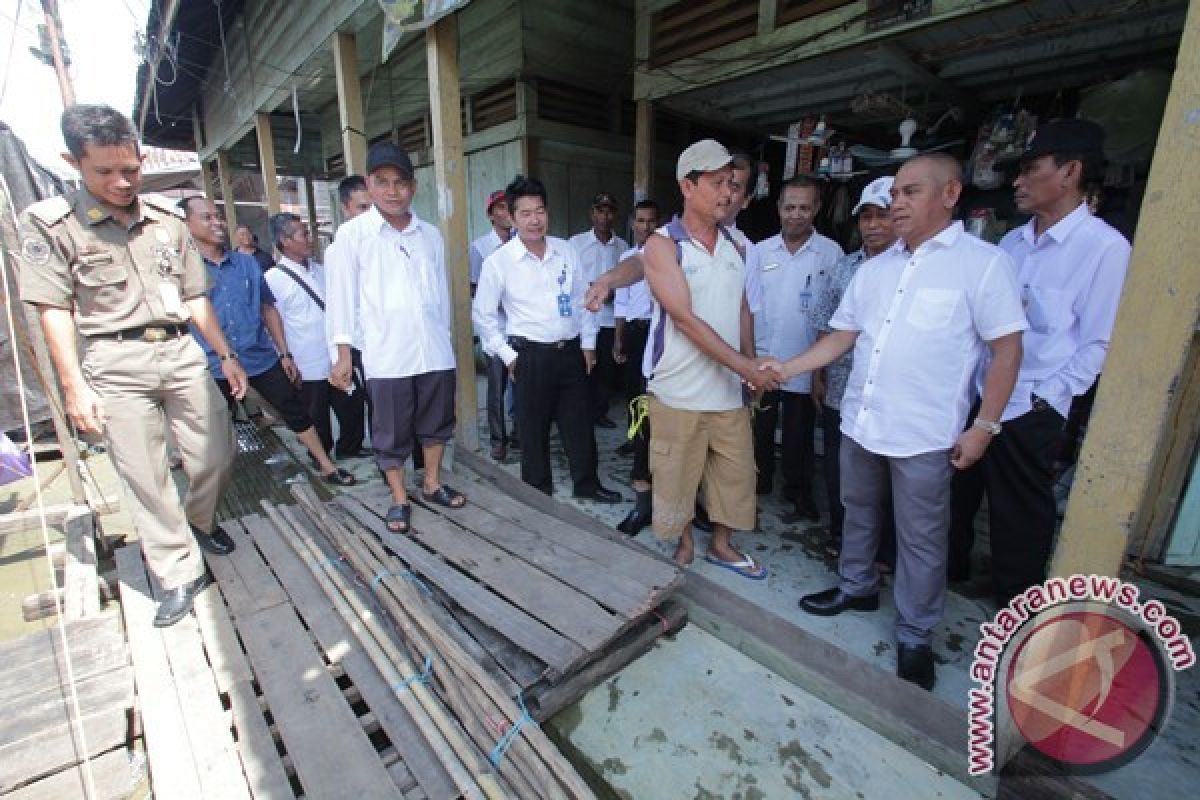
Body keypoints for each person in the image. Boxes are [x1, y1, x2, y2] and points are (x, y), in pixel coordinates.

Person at [764, 154, 1027, 690]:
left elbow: (1007, 350)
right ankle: (856, 586)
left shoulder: (982, 264)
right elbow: (841, 337)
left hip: (925, 434)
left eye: (910, 193)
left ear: (949, 193)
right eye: (895, 195)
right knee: (857, 512)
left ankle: (915, 633)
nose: (897, 204)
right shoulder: (874, 270)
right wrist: (786, 369)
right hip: (862, 421)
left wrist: (985, 427)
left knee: (922, 538)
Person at [18, 104, 244, 627]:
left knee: (216, 453)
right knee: (143, 474)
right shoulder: (53, 226)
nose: (123, 182)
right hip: (113, 359)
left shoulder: (167, 222)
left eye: (131, 169)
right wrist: (74, 388)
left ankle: (199, 519)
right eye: (106, 172)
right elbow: (55, 310)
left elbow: (194, 297)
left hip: (181, 351)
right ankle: (179, 571)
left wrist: (226, 356)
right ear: (73, 162)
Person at [949, 119, 1131, 605]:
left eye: (1031, 169)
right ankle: (949, 578)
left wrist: (1044, 400)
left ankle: (1017, 609)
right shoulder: (1011, 243)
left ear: (1070, 172)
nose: (1018, 181)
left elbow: (1098, 342)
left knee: (1020, 512)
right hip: (982, 394)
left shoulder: (1104, 249)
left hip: (1031, 406)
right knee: (959, 497)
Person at [643, 139, 781, 575]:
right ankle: (683, 543)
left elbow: (742, 309)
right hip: (678, 388)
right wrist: (744, 367)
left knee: (735, 474)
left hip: (727, 391)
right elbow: (683, 318)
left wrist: (751, 365)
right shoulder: (664, 246)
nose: (727, 193)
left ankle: (721, 544)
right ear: (687, 185)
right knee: (677, 473)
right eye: (717, 183)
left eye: (732, 184)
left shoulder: (739, 246)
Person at [327, 142, 465, 535]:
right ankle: (399, 498)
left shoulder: (431, 236)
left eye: (400, 182)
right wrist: (342, 355)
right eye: (383, 182)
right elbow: (340, 299)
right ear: (369, 186)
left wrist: (446, 338)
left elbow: (441, 293)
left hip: (434, 349)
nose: (392, 191)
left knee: (437, 422)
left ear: (413, 186)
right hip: (386, 352)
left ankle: (432, 482)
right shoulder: (352, 235)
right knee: (390, 430)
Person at [181, 197, 356, 487]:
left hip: (258, 355)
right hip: (211, 363)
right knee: (211, 427)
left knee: (293, 409)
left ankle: (325, 465)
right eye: (207, 218)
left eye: (218, 216)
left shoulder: (247, 264)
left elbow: (267, 309)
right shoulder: (183, 269)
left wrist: (284, 353)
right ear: (186, 224)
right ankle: (210, 487)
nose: (217, 223)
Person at [473, 176, 621, 504]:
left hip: (569, 353)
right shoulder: (499, 263)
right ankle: (538, 492)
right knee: (532, 428)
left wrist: (588, 345)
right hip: (529, 357)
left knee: (579, 423)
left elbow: (586, 299)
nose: (534, 220)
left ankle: (587, 483)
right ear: (511, 218)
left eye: (539, 211)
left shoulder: (565, 250)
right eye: (525, 213)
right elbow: (483, 317)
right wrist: (508, 356)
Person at [809, 176, 898, 561]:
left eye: (883, 216)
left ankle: (882, 551)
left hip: (890, 398)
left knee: (887, 479)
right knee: (838, 470)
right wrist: (816, 375)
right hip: (841, 389)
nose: (874, 225)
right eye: (867, 217)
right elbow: (824, 324)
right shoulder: (845, 268)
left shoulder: (913, 267)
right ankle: (840, 537)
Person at [754, 177, 844, 521]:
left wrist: (820, 371)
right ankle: (759, 483)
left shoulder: (831, 254)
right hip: (762, 360)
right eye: (789, 207)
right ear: (778, 209)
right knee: (758, 430)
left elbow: (836, 315)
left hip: (805, 362)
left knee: (799, 436)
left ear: (816, 209)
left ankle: (798, 492)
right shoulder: (759, 252)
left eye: (804, 208)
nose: (796, 215)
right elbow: (745, 306)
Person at [264, 212, 367, 462]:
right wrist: (285, 356)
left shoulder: (322, 271)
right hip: (306, 360)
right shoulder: (273, 279)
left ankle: (350, 448)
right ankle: (322, 457)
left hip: (336, 354)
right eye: (303, 234)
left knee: (352, 404)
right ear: (284, 240)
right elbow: (272, 321)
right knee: (316, 413)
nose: (310, 239)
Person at [612, 199, 660, 534]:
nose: (645, 226)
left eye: (651, 221)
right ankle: (636, 441)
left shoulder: (670, 256)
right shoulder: (626, 260)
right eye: (640, 221)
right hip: (635, 332)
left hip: (664, 338)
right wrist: (618, 339)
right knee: (636, 400)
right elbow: (621, 302)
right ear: (633, 224)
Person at [320, 175, 372, 458]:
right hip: (359, 341)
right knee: (374, 404)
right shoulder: (338, 250)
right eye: (362, 208)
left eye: (372, 207)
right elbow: (338, 305)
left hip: (387, 339)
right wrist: (341, 355)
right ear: (346, 209)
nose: (369, 215)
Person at [571, 192, 630, 429]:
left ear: (614, 214)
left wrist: (611, 291)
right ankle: (579, 414)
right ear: (592, 213)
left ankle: (599, 413)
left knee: (604, 372)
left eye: (609, 211)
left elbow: (626, 283)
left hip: (607, 320)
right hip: (583, 319)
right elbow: (570, 279)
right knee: (581, 369)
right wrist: (592, 290)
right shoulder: (575, 244)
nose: (604, 216)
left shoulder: (622, 247)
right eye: (599, 210)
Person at [469, 189, 518, 460]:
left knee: (523, 386)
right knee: (497, 387)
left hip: (520, 327)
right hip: (496, 328)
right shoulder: (480, 248)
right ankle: (499, 440)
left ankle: (521, 434)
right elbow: (475, 289)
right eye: (500, 208)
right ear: (491, 215)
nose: (506, 212)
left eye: (509, 207)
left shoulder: (521, 243)